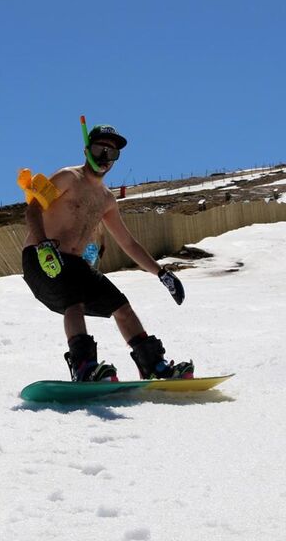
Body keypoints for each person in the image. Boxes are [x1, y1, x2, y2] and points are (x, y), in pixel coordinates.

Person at [21, 123, 193, 382]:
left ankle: (153, 367)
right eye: (101, 148)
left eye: (112, 153)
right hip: (41, 257)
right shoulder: (68, 177)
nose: (105, 157)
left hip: (74, 264)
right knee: (73, 300)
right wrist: (44, 244)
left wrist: (161, 273)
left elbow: (128, 243)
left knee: (121, 307)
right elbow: (32, 209)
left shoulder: (106, 200)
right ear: (87, 149)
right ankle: (84, 368)